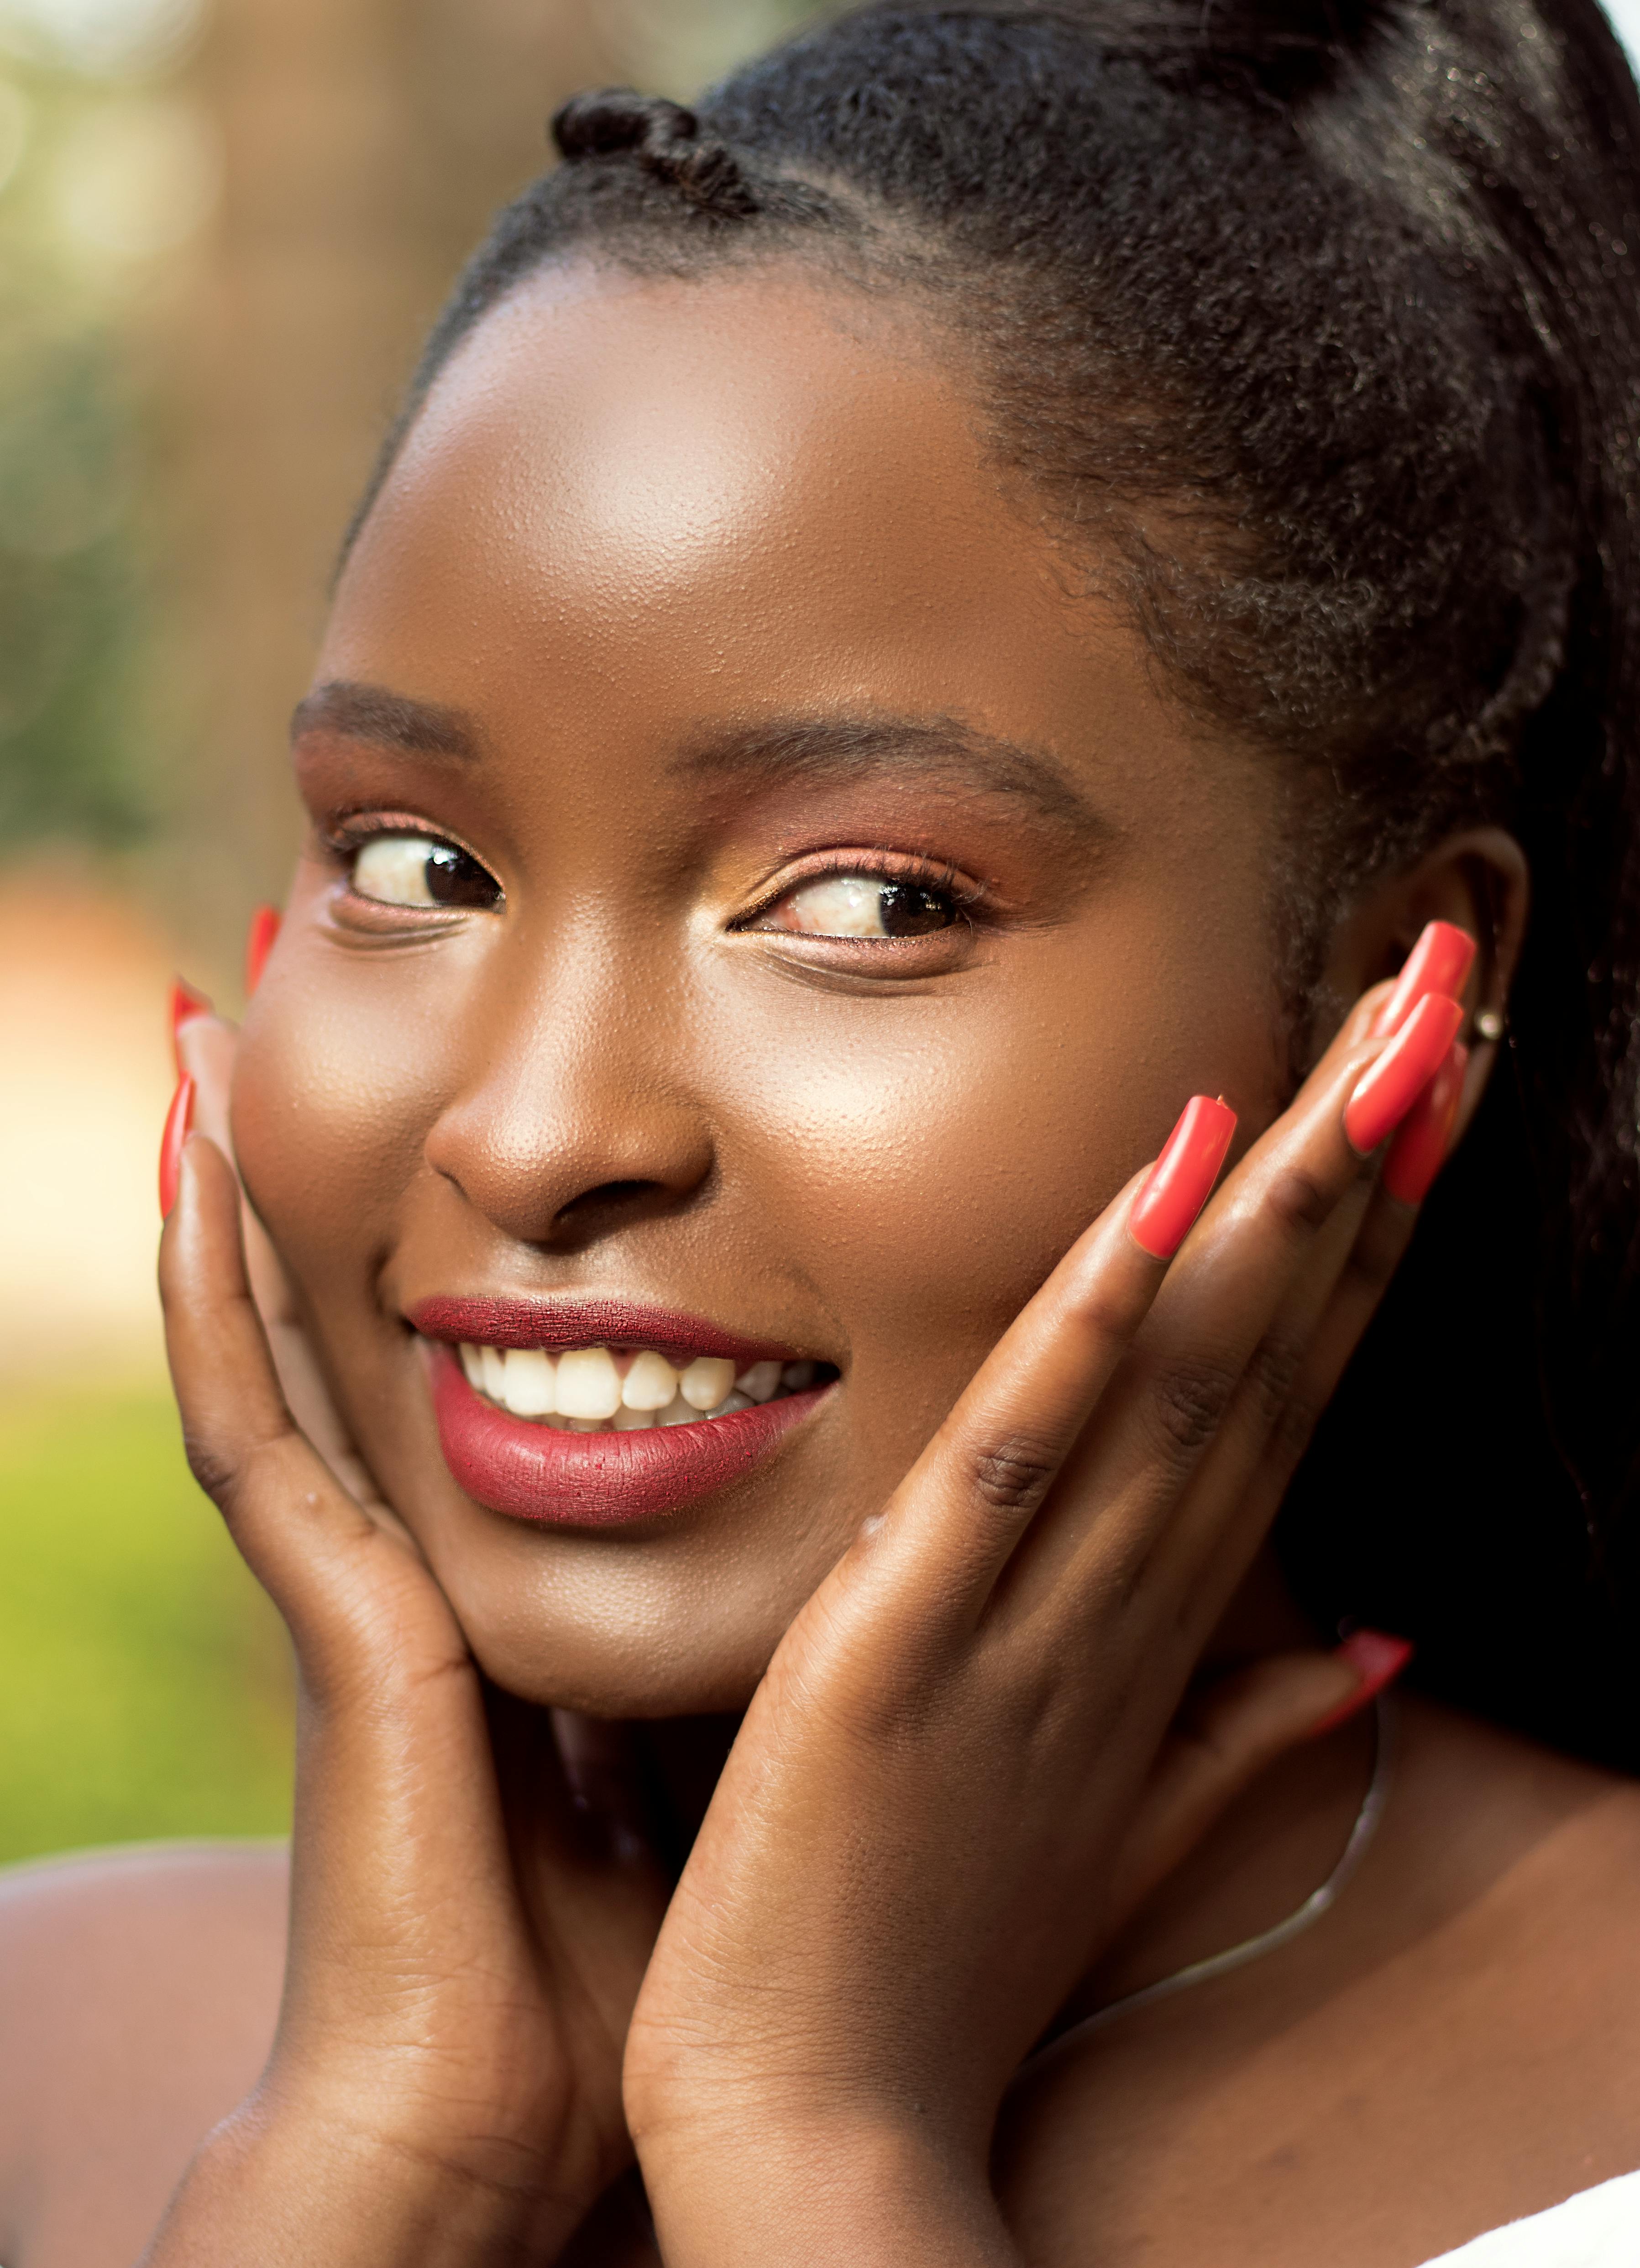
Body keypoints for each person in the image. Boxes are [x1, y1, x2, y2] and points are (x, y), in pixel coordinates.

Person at [5, 0, 1640, 2259]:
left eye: (864, 901)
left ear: (1383, 1007)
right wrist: (382, 2169)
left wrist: (809, 2139)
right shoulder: (46, 2056)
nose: (535, 1131)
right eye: (412, 864)